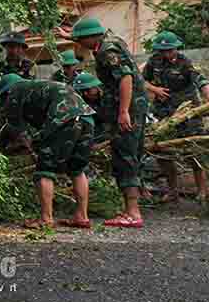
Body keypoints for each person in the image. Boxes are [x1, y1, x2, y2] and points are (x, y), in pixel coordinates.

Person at [62, 17, 149, 228]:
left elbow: (125, 78)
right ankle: (131, 209)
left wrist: (123, 112)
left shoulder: (106, 52)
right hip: (135, 105)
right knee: (130, 154)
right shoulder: (112, 40)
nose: (80, 45)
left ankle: (132, 213)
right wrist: (72, 34)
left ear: (92, 38)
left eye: (81, 40)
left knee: (125, 156)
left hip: (128, 108)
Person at [0, 74, 93, 230]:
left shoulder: (15, 91)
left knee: (44, 169)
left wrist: (24, 148)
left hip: (63, 117)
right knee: (76, 169)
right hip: (86, 118)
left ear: (6, 91)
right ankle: (82, 216)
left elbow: (17, 129)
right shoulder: (36, 87)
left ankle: (46, 219)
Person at [142, 30, 209, 203]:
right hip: (163, 113)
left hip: (187, 113)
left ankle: (202, 191)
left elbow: (201, 81)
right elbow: (140, 80)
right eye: (163, 50)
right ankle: (173, 191)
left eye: (170, 50)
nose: (166, 53)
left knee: (194, 150)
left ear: (176, 48)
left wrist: (207, 97)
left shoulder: (185, 62)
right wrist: (154, 89)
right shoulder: (153, 61)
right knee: (162, 150)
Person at [0, 32, 36, 109]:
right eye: (10, 47)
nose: (14, 50)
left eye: (17, 47)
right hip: (2, 106)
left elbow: (31, 89)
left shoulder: (29, 66)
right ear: (5, 48)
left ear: (22, 49)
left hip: (23, 106)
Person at [73, 73, 112, 144]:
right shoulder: (81, 104)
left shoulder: (102, 98)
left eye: (87, 90)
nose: (85, 93)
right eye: (81, 91)